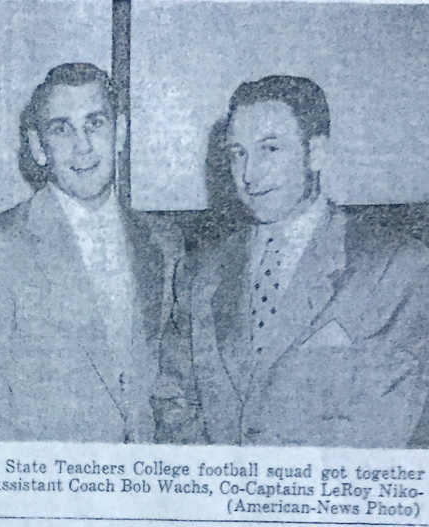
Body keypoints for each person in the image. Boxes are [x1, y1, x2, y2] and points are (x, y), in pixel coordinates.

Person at [183, 75, 429, 447]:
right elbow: (176, 404)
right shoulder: (200, 273)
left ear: (316, 153)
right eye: (238, 153)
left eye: (270, 150)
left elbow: (387, 425)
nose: (248, 175)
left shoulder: (396, 267)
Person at [0, 63, 183, 442]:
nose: (83, 145)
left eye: (95, 124)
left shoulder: (164, 244)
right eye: (62, 129)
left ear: (120, 132)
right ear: (39, 147)